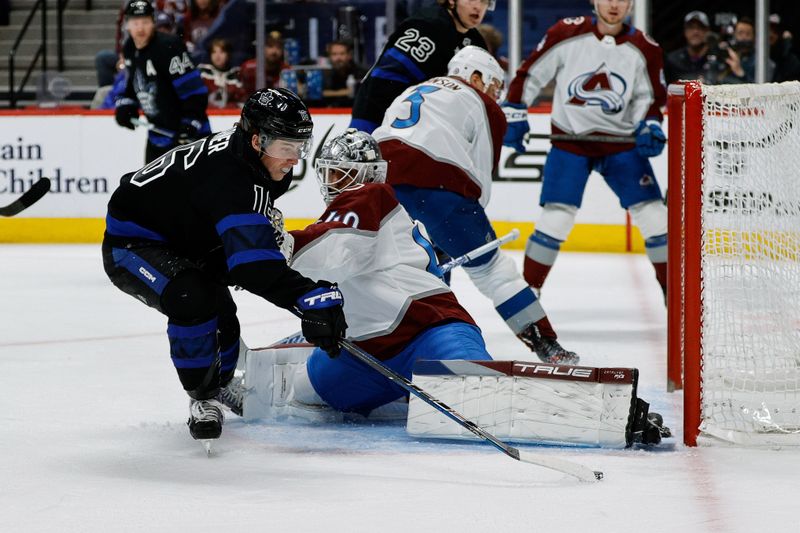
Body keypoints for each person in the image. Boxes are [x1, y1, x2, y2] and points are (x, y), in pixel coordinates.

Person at [102, 88, 348, 443]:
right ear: (256, 139)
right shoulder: (234, 177)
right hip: (134, 244)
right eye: (287, 147)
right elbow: (253, 269)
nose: (295, 159)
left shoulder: (251, 159)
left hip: (184, 235)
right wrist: (306, 297)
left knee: (222, 315)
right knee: (193, 298)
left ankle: (220, 380)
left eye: (300, 147)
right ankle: (204, 396)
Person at [236, 129, 493, 416]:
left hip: (428, 330)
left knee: (481, 391)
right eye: (330, 174)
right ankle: (402, 394)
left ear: (369, 174)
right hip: (365, 352)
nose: (333, 183)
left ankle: (410, 390)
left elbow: (339, 249)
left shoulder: (372, 195)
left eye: (342, 173)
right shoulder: (346, 217)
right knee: (305, 398)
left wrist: (279, 247)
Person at [372, 46, 578, 365]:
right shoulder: (482, 103)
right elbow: (478, 181)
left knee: (408, 268)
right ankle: (547, 346)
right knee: (493, 270)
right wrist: (464, 231)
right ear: (476, 77)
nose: (495, 95)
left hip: (380, 184)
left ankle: (386, 343)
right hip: (438, 186)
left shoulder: (414, 89)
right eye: (494, 85)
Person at [502, 0, 669, 301]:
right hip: (570, 143)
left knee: (655, 217)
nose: (614, 5)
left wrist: (650, 125)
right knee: (556, 217)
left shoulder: (645, 47)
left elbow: (651, 100)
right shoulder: (566, 33)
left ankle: (674, 292)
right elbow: (531, 73)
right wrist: (515, 110)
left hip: (622, 146)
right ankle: (530, 292)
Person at [349, 0, 491, 134]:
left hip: (420, 119)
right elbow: (386, 77)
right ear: (452, 1)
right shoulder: (427, 26)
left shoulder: (476, 42)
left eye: (484, 1)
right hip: (375, 111)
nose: (478, 6)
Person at [114, 0, 212, 163]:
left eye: (145, 22)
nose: (140, 28)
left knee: (195, 188)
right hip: (157, 137)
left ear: (153, 22)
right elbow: (136, 84)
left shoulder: (168, 47)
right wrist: (127, 105)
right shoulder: (130, 47)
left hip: (188, 138)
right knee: (152, 188)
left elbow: (195, 92)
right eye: (135, 23)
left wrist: (190, 122)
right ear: (127, 25)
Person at [664, 11, 715, 84]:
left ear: (707, 31)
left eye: (700, 28)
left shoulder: (717, 59)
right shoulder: (673, 60)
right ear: (685, 31)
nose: (695, 32)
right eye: (691, 27)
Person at [239, 31, 291, 95]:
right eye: (270, 46)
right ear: (263, 48)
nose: (274, 51)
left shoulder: (286, 70)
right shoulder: (248, 67)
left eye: (278, 47)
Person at [198, 38, 245, 108]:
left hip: (230, 116)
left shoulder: (237, 74)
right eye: (214, 52)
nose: (217, 56)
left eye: (222, 52)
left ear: (228, 54)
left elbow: (242, 101)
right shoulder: (202, 72)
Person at [321, 39, 368, 107]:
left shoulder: (363, 73)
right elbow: (318, 94)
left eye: (342, 54)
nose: (338, 58)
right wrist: (344, 92)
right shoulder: (326, 74)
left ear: (349, 55)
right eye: (334, 54)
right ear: (329, 57)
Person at [769, 14, 800, 82]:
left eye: (775, 31)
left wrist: (787, 46)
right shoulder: (753, 55)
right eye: (767, 30)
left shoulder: (791, 60)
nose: (770, 34)